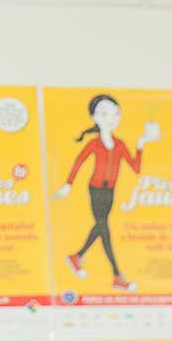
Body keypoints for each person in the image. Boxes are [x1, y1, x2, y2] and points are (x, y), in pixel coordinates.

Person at [54, 93, 157, 292]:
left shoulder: (120, 145)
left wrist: (141, 144)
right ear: (94, 117)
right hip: (95, 190)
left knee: (101, 228)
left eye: (114, 113)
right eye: (104, 113)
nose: (110, 118)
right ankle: (117, 276)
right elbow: (79, 162)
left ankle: (77, 257)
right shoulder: (94, 143)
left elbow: (135, 168)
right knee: (104, 229)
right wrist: (68, 184)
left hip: (110, 192)